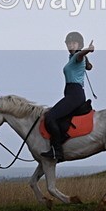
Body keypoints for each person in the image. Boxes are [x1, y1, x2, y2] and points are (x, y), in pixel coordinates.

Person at [42, 31, 94, 162]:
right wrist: (87, 63)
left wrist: (87, 50)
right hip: (71, 93)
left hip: (75, 94)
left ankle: (57, 152)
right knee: (57, 117)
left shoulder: (77, 55)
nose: (71, 45)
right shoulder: (71, 58)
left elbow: (81, 55)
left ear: (79, 44)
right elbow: (89, 67)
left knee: (50, 117)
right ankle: (63, 140)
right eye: (69, 43)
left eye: (74, 42)